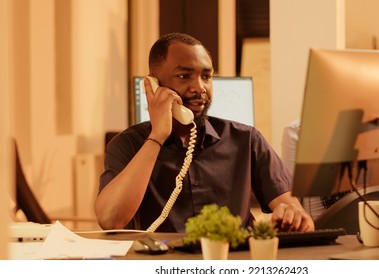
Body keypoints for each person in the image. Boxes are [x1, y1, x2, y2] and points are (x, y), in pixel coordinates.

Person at [95, 32, 314, 233]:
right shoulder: (127, 145)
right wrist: (157, 137)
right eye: (184, 76)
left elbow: (295, 211)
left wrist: (293, 217)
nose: (199, 87)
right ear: (152, 86)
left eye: (206, 76)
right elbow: (110, 220)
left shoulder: (246, 140)